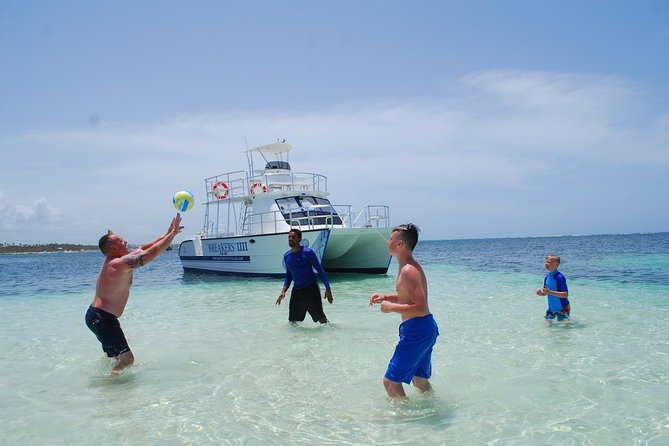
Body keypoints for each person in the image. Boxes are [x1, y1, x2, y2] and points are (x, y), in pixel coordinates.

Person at [85, 213, 183, 373]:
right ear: (113, 248)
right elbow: (151, 253)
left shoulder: (118, 260)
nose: (126, 242)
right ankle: (109, 386)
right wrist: (172, 235)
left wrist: (169, 232)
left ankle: (113, 390)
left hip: (99, 317)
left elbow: (144, 248)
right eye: (122, 241)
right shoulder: (117, 264)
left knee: (115, 358)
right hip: (102, 318)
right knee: (127, 359)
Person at [369, 223, 439, 398]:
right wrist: (385, 298)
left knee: (391, 382)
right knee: (419, 378)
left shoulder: (409, 270)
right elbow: (407, 298)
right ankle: (434, 407)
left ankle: (403, 422)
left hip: (417, 329)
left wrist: (391, 308)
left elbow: (420, 307)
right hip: (423, 328)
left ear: (400, 244)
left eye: (390, 239)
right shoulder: (407, 267)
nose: (387, 242)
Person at [276, 228, 333, 324]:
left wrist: (328, 289)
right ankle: (295, 338)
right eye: (289, 237)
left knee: (321, 318)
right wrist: (283, 291)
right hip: (297, 290)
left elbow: (320, 270)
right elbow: (289, 276)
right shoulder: (287, 256)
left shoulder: (308, 252)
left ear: (299, 239)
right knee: (292, 320)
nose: (290, 239)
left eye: (293, 237)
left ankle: (331, 333)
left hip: (311, 289)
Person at [536, 254, 570, 320]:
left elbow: (565, 294)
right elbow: (546, 292)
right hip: (551, 309)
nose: (546, 263)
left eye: (549, 262)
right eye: (546, 262)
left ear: (556, 265)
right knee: (547, 326)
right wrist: (541, 293)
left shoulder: (560, 277)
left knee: (564, 328)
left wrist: (550, 292)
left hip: (562, 308)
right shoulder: (547, 277)